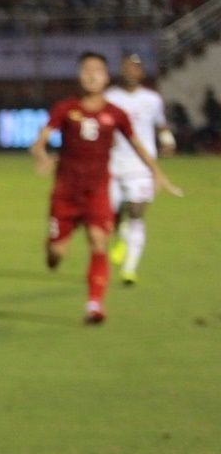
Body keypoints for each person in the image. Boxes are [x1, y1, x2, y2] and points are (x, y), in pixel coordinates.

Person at [29, 52, 178, 324]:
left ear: (105, 77)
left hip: (97, 190)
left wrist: (156, 172)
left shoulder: (115, 113)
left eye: (97, 70)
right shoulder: (66, 108)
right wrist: (40, 153)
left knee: (99, 242)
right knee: (56, 255)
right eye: (86, 70)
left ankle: (94, 305)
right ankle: (52, 248)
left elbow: (137, 145)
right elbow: (40, 139)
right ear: (79, 75)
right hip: (65, 193)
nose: (91, 75)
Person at [103, 54, 173, 286]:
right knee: (113, 216)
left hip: (142, 166)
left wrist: (167, 140)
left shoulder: (152, 99)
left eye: (134, 68)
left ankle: (129, 269)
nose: (130, 72)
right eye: (126, 68)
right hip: (113, 165)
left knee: (136, 213)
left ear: (141, 73)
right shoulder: (110, 97)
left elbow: (160, 123)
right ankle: (119, 234)